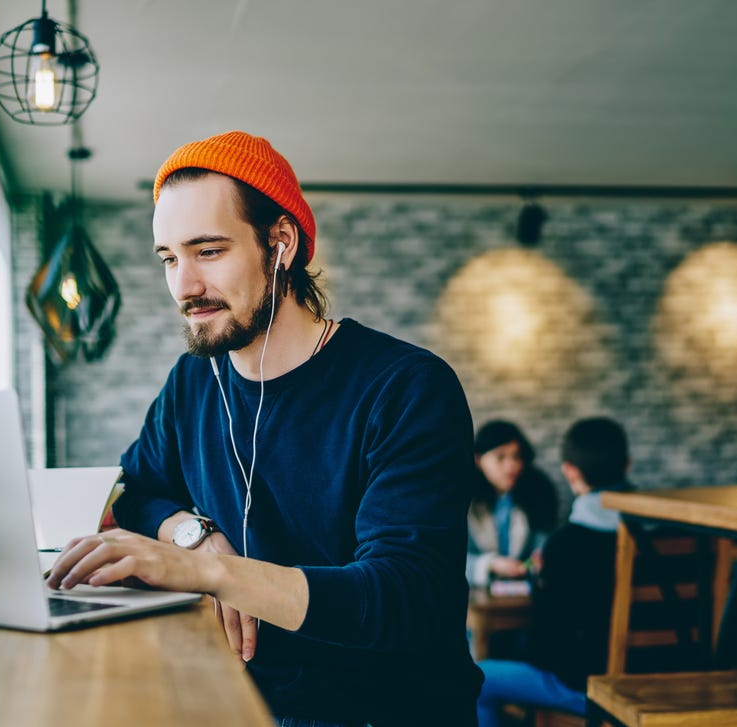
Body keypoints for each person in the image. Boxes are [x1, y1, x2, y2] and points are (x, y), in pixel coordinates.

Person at [46, 130, 483, 726]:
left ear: (280, 243)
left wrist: (212, 573)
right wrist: (193, 536)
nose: (183, 286)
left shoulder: (405, 386)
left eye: (208, 251)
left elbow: (404, 598)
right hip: (234, 700)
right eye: (169, 258)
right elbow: (136, 493)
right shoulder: (193, 382)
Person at [475, 417, 634, 723]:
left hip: (591, 688)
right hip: (667, 677)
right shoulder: (668, 531)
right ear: (627, 465)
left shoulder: (567, 544)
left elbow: (546, 647)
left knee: (476, 680)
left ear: (569, 471)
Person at [466, 420, 560, 587]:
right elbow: (448, 558)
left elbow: (542, 544)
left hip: (523, 596)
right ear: (478, 460)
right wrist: (490, 564)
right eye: (500, 457)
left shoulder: (537, 494)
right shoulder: (463, 500)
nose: (511, 466)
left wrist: (539, 560)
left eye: (516, 456)